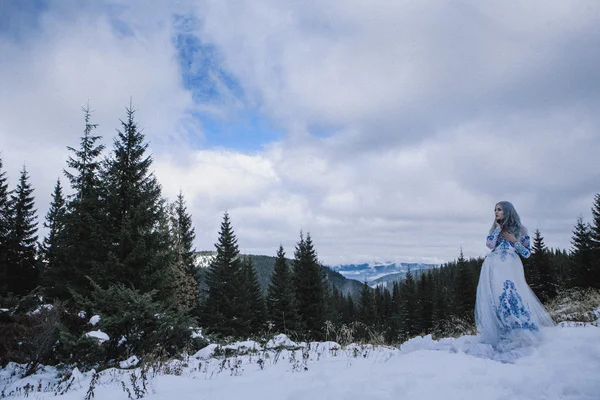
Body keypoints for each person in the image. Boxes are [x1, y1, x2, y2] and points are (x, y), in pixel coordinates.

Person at [474, 201, 554, 349]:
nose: (496, 212)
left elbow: (527, 253)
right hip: (494, 265)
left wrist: (514, 241)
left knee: (514, 294)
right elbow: (489, 245)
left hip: (511, 265)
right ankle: (502, 330)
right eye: (495, 210)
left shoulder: (521, 230)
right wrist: (497, 229)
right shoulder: (494, 229)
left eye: (499, 210)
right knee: (497, 297)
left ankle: (519, 328)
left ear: (507, 211)